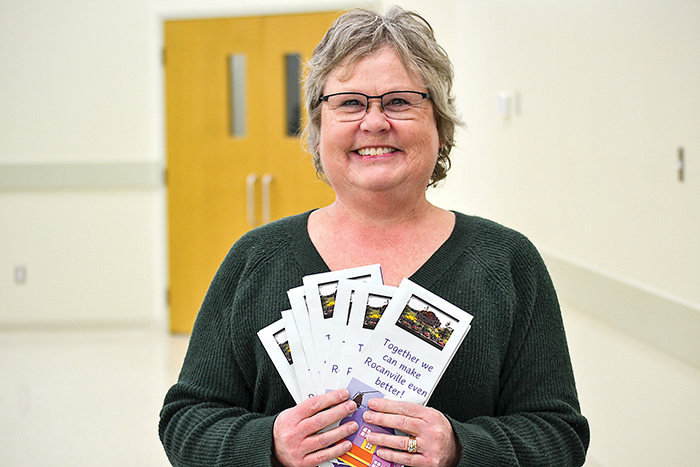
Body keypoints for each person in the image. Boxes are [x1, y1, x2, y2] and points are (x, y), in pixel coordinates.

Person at [159, 6, 590, 467]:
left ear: (440, 128)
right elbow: (186, 420)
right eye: (349, 102)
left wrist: (461, 448)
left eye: (400, 101)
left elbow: (559, 435)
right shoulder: (257, 259)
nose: (375, 122)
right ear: (318, 131)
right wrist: (269, 443)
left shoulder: (506, 262)